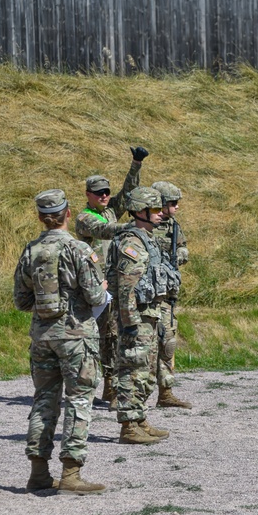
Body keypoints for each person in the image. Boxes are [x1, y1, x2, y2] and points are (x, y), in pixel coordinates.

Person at [13, 189, 108, 494]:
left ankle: (38, 472)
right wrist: (101, 286)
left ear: (41, 217)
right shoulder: (78, 249)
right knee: (80, 400)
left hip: (42, 336)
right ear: (68, 214)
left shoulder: (30, 251)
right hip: (76, 336)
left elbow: (21, 301)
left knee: (44, 400)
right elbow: (95, 296)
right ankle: (71, 472)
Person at [75, 146, 148, 407]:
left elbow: (127, 196)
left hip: (111, 285)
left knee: (115, 334)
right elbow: (105, 230)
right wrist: (133, 225)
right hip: (95, 288)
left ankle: (111, 388)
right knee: (105, 336)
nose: (105, 196)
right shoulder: (85, 217)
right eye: (99, 193)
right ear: (88, 195)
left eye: (106, 192)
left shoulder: (107, 209)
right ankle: (108, 385)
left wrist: (136, 164)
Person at [110, 186, 175, 445]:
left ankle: (139, 418)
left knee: (145, 369)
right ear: (140, 211)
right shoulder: (132, 242)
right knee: (131, 368)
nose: (161, 214)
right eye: (156, 209)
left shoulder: (146, 238)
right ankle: (128, 426)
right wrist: (129, 322)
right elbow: (126, 287)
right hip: (136, 316)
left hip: (150, 313)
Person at [150, 180, 192, 409]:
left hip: (166, 295)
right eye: (172, 203)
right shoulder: (140, 226)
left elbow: (183, 247)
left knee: (168, 342)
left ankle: (165, 392)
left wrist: (178, 257)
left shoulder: (173, 226)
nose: (176, 207)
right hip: (144, 297)